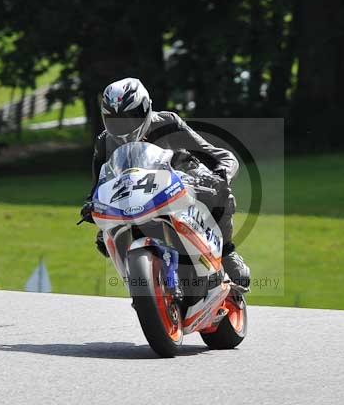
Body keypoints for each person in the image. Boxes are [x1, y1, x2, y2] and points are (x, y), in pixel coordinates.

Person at [80, 77, 250, 291]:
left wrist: (220, 174)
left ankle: (226, 252)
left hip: (180, 187)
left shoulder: (168, 123)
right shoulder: (105, 142)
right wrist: (91, 204)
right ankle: (142, 283)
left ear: (146, 108)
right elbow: (99, 185)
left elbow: (215, 155)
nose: (123, 126)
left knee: (220, 193)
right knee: (104, 238)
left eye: (131, 117)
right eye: (115, 120)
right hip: (133, 199)